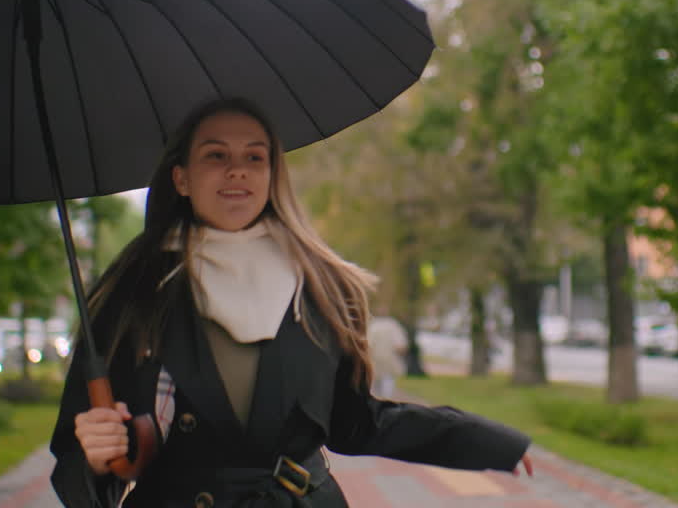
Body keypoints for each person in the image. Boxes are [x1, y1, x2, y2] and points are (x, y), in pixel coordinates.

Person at [50, 98, 533, 508]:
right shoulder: (132, 294)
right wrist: (95, 456)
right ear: (181, 178)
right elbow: (75, 466)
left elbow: (354, 422)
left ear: (272, 174)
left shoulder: (321, 287)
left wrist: (482, 440)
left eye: (255, 157)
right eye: (215, 156)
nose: (237, 169)